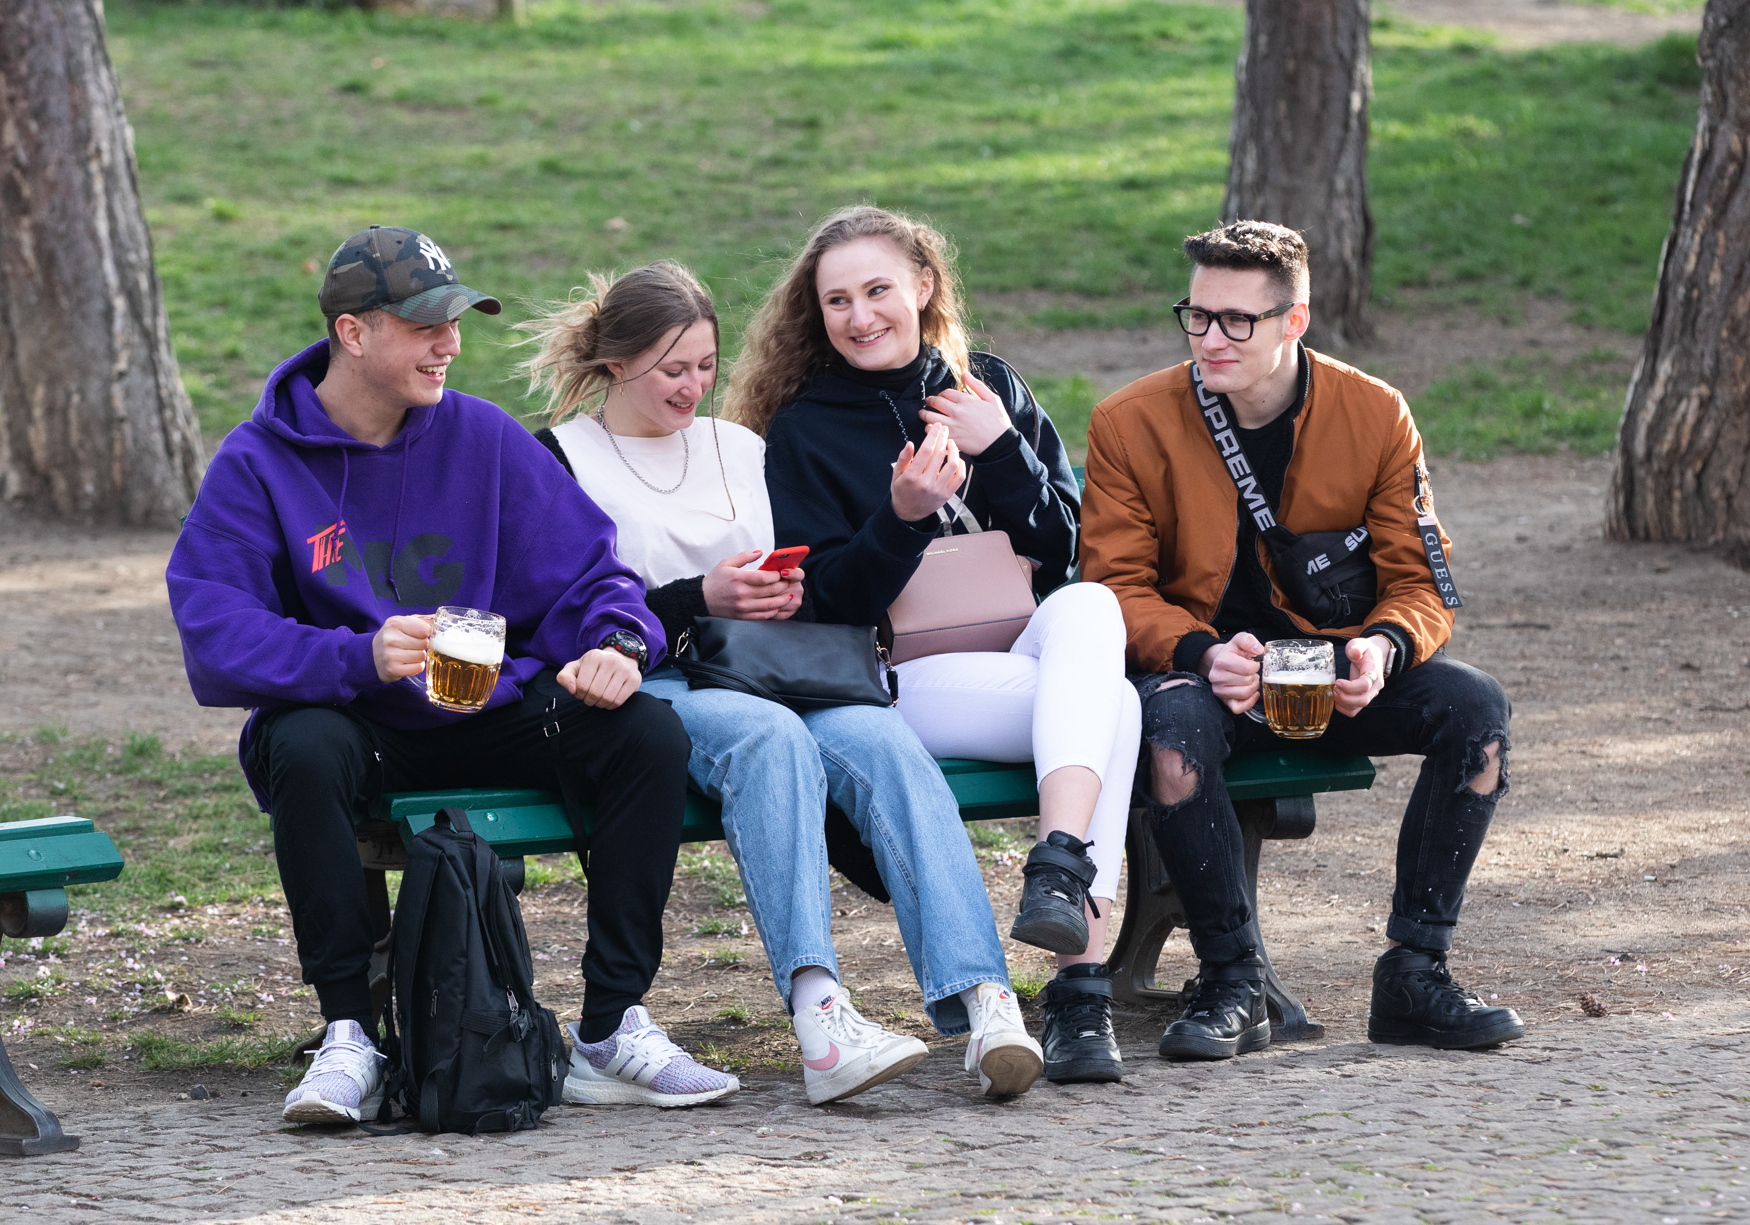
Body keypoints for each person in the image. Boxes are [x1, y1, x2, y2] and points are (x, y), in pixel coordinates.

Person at [166, 226, 740, 1126]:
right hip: (360, 725)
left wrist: (621, 646)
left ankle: (609, 1028)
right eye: (426, 324)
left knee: (644, 734)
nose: (451, 343)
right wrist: (351, 657)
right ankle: (349, 1037)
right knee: (301, 744)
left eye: (459, 322)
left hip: (487, 706)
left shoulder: (478, 435)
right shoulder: (258, 462)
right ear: (353, 334)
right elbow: (213, 628)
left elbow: (594, 577)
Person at [521, 260, 1043, 1101]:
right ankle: (821, 1017)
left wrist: (785, 591)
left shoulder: (742, 447)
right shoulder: (561, 458)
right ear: (615, 363)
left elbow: (807, 589)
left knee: (885, 743)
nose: (692, 387)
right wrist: (701, 599)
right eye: (669, 370)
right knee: (769, 741)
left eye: (703, 366)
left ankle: (987, 1003)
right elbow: (558, 612)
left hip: (774, 670)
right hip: (660, 686)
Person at [1083, 220, 1522, 1061]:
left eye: (1237, 321)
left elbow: (1421, 579)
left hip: (1331, 666)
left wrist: (1384, 648)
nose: (1210, 338)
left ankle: (1415, 975)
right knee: (1170, 743)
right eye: (1198, 316)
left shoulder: (1375, 413)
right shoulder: (1130, 423)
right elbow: (1114, 591)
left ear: (1295, 320)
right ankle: (1230, 979)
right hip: (1201, 675)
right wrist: (1202, 653)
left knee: (1477, 713)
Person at [730, 206, 1141, 1085]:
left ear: (924, 286)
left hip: (1019, 647)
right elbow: (822, 602)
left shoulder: (986, 386)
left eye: (878, 289)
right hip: (897, 678)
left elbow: (1067, 552)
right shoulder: (802, 430)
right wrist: (901, 519)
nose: (859, 315)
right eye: (837, 299)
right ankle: (1080, 989)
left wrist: (1000, 454)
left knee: (1094, 609)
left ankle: (1059, 869)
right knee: (1121, 706)